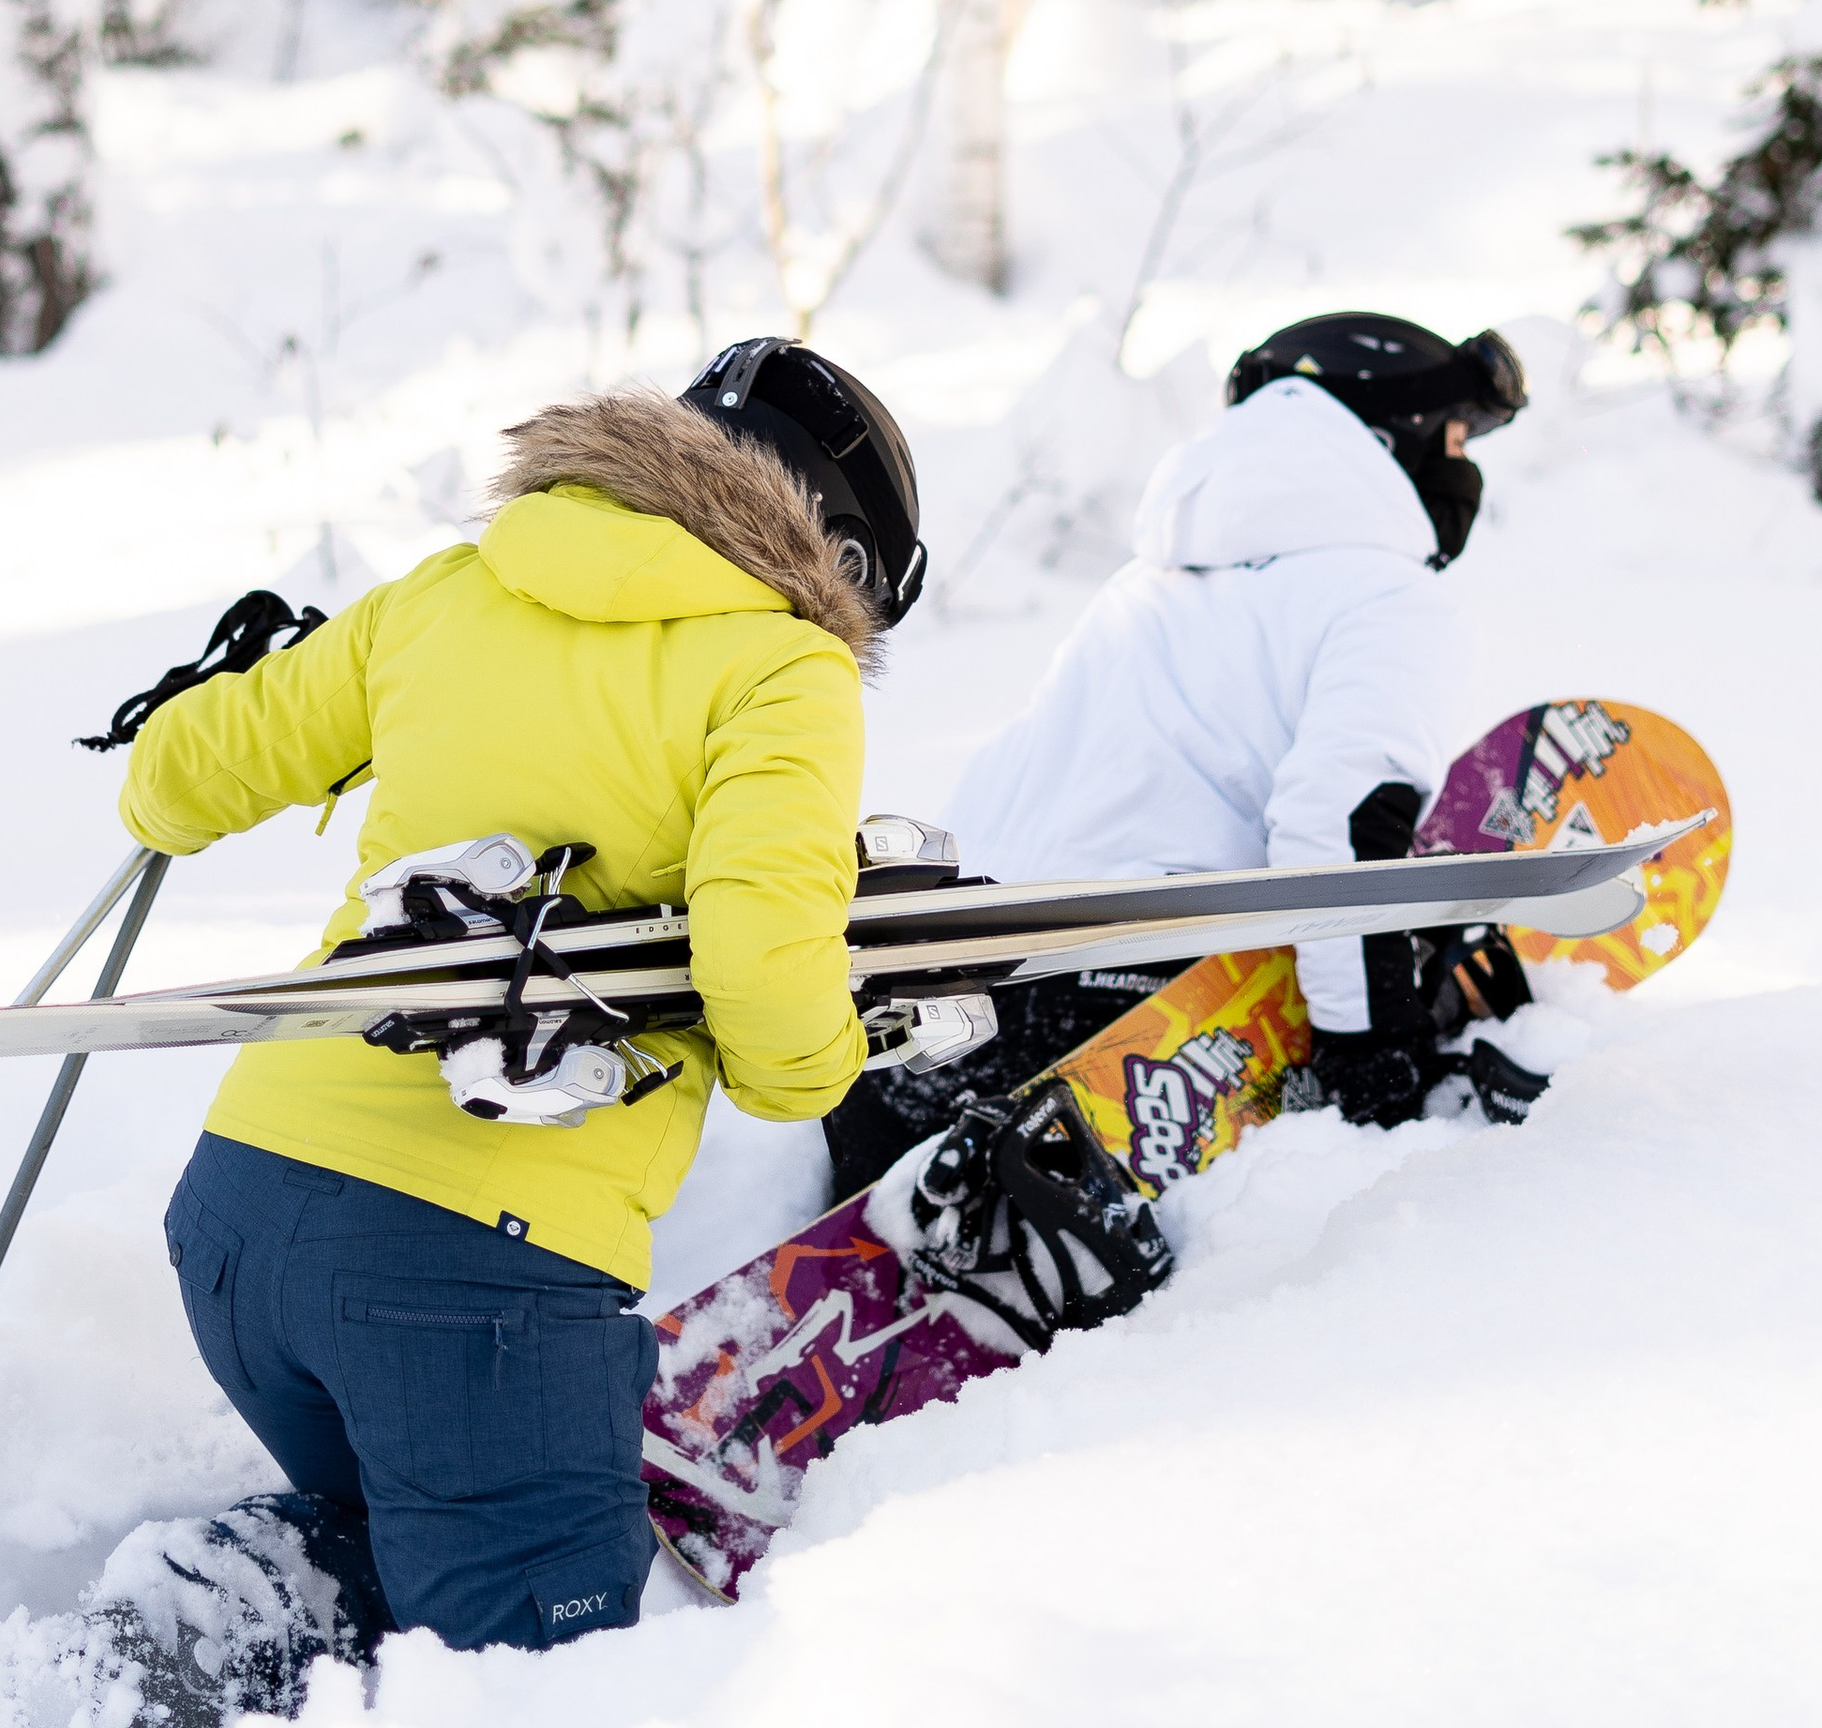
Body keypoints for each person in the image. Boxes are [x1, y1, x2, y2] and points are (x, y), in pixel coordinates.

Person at [112, 340, 924, 1660]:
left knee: (402, 1545)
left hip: (239, 1217)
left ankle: (209, 1644)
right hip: (472, 1275)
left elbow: (171, 783)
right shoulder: (782, 669)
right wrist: (825, 1061)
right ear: (844, 552)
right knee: (547, 1700)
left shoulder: (452, 590)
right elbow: (765, 975)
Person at [822, 312, 1529, 1198]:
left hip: (922, 1012)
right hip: (1121, 1024)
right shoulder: (1392, 600)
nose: (1463, 471)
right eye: (1456, 439)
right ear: (1396, 437)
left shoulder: (1146, 587)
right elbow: (1340, 826)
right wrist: (1377, 1055)